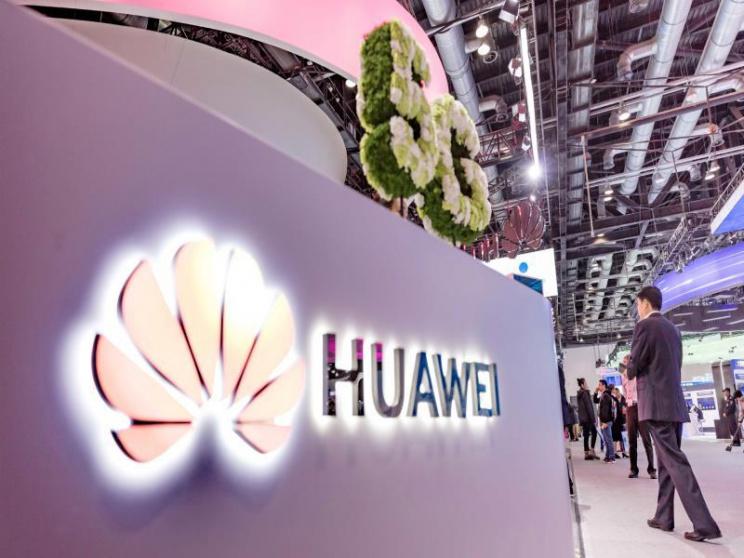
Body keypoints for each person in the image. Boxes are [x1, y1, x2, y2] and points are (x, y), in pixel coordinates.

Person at [624, 286, 721, 542]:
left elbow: (634, 368)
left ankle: (704, 524)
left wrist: (628, 365)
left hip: (656, 406)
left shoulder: (644, 327)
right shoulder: (673, 329)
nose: (637, 309)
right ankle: (664, 516)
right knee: (666, 462)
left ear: (645, 303)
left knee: (675, 463)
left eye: (638, 304)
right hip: (674, 405)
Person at [622, 366, 656, 479]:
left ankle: (652, 470)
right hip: (630, 409)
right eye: (625, 364)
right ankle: (633, 469)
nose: (625, 368)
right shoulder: (624, 378)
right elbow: (625, 393)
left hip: (642, 407)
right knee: (632, 441)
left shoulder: (640, 375)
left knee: (647, 441)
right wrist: (628, 403)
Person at [594, 379, 616, 463]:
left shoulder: (606, 395)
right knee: (606, 440)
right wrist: (595, 392)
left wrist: (605, 422)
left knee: (608, 439)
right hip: (604, 421)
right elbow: (595, 400)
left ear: (604, 386)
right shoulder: (603, 395)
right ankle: (608, 456)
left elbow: (605, 410)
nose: (598, 386)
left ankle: (612, 457)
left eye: (600, 385)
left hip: (606, 421)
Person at [576, 378, 598, 460]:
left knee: (586, 435)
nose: (587, 384)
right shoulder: (585, 393)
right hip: (588, 418)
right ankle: (591, 451)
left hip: (584, 418)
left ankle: (587, 453)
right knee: (594, 432)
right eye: (585, 383)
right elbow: (589, 407)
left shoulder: (580, 393)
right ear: (582, 385)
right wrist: (593, 419)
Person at [611, 386, 628, 458]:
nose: (615, 394)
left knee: (623, 437)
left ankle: (624, 452)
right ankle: (615, 452)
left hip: (622, 421)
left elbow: (625, 410)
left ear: (618, 392)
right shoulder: (614, 400)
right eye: (614, 393)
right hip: (615, 422)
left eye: (616, 393)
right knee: (615, 437)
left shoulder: (624, 399)